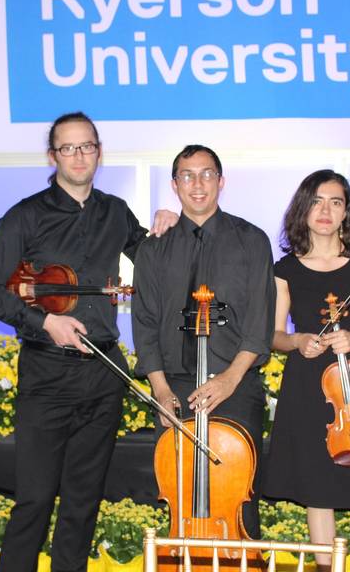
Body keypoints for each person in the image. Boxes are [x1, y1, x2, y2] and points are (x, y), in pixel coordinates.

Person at [0, 111, 177, 572]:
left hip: (104, 375)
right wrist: (45, 323)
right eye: (68, 148)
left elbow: (159, 262)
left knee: (82, 504)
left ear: (99, 152)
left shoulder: (116, 212)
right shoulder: (26, 216)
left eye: (87, 146)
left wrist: (171, 225)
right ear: (52, 156)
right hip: (46, 376)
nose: (79, 156)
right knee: (35, 501)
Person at [132, 144, 275, 539]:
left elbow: (260, 322)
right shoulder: (153, 248)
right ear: (175, 185)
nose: (198, 184)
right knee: (180, 492)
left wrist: (230, 379)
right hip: (175, 386)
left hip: (236, 384)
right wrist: (159, 389)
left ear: (221, 181)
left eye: (207, 174)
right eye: (188, 176)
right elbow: (144, 323)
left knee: (239, 496)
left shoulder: (251, 240)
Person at [262, 170, 350, 572]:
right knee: (318, 496)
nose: (325, 210)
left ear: (346, 213)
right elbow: (273, 335)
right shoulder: (286, 268)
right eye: (317, 201)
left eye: (335, 202)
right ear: (303, 208)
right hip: (310, 388)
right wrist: (298, 341)